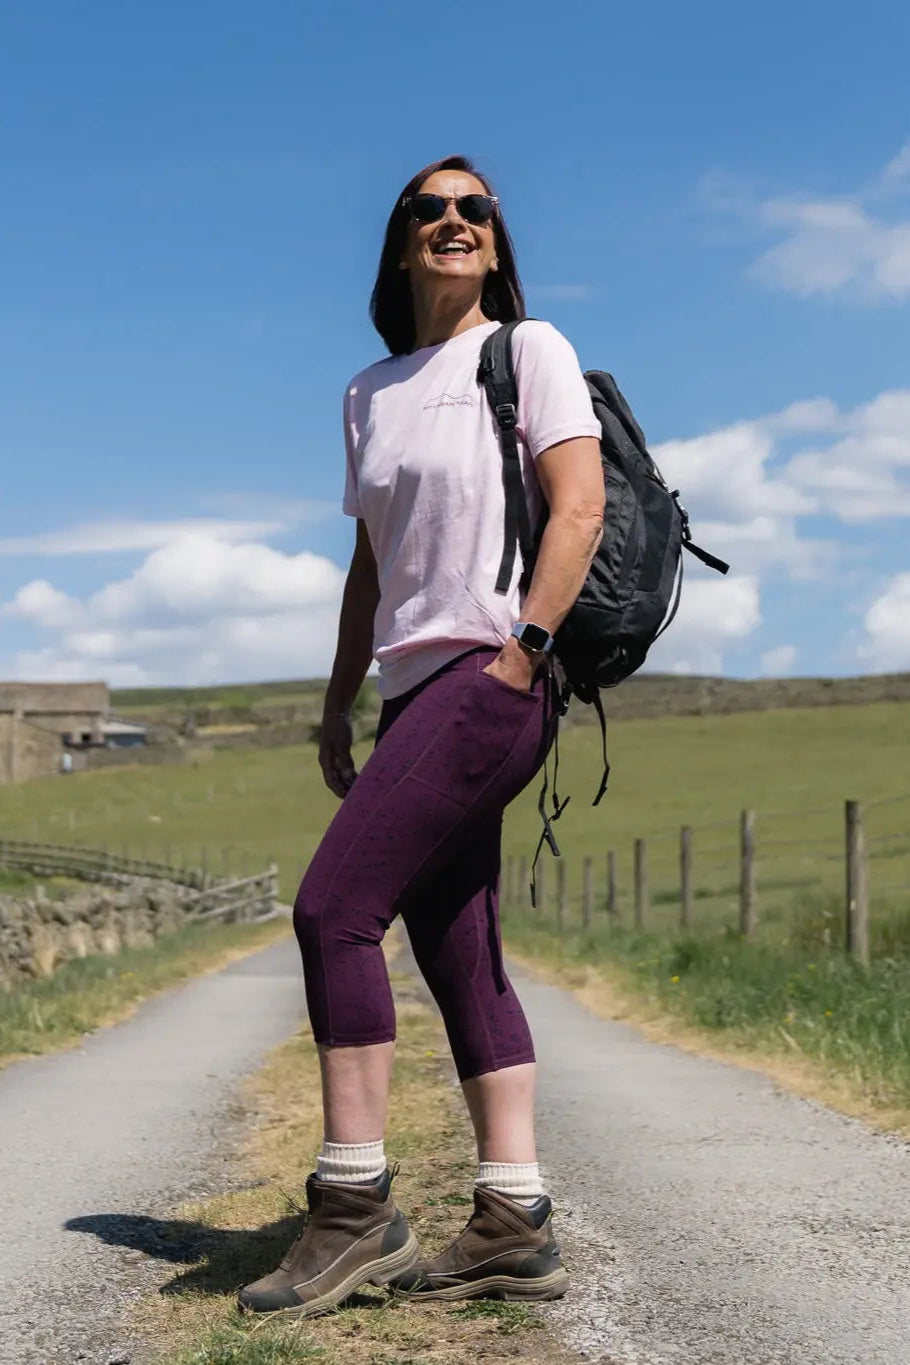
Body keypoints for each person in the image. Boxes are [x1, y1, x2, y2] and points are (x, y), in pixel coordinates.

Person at [240, 155, 604, 1317]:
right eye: (429, 211)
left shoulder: (526, 350)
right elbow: (371, 564)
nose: (453, 222)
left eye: (474, 211)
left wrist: (523, 653)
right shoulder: (369, 390)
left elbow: (579, 505)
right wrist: (343, 696)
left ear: (494, 242)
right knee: (457, 948)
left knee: (333, 911)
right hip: (411, 689)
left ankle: (352, 1210)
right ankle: (512, 1217)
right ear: (400, 243)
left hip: (491, 674)